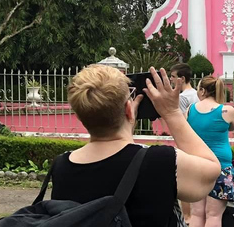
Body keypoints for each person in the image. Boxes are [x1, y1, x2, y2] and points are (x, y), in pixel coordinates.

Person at [49, 65, 220, 227]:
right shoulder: (158, 161)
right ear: (128, 109)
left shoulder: (61, 165)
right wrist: (172, 113)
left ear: (79, 117)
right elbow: (211, 173)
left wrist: (126, 126)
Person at [186, 76, 234, 227]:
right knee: (214, 215)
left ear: (202, 90)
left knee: (196, 213)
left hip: (196, 166)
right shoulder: (227, 111)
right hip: (221, 167)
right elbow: (232, 127)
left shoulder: (190, 110)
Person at [170, 63, 200, 223]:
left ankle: (187, 218)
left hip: (186, 142)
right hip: (198, 140)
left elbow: (181, 122)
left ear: (182, 79)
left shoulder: (183, 97)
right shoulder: (197, 94)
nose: (171, 79)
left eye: (173, 77)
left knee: (184, 181)